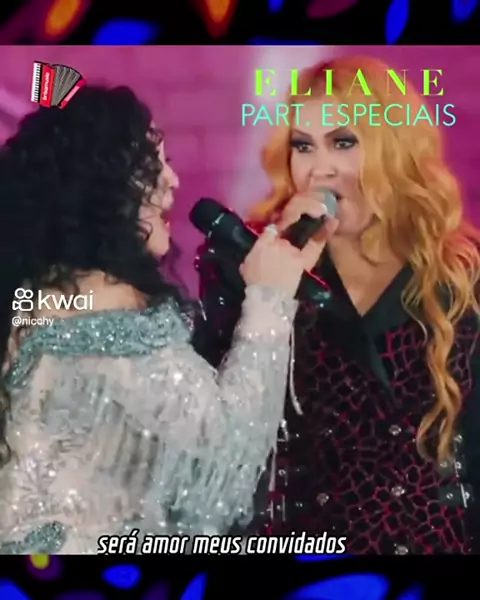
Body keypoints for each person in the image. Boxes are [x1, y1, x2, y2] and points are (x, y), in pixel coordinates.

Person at [0, 85, 326, 554]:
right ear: (101, 189)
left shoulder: (44, 293)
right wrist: (269, 300)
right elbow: (226, 456)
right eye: (152, 167)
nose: (172, 180)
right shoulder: (105, 309)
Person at [193, 55, 480, 554]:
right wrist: (273, 287)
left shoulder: (461, 274)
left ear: (394, 149)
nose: (319, 168)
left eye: (343, 142)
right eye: (303, 146)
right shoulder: (251, 261)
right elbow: (212, 438)